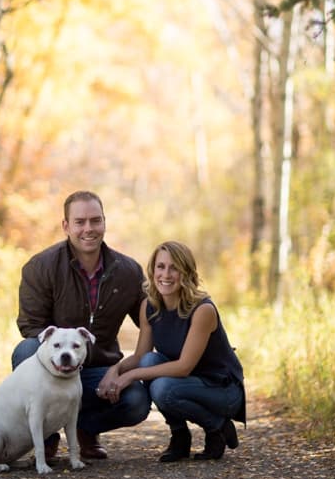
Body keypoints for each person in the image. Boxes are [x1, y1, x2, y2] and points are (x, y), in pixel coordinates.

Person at [13, 190, 151, 462]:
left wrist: (120, 370)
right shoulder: (40, 267)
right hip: (54, 368)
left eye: (95, 220)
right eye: (80, 222)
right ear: (66, 226)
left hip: (99, 370)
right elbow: (31, 326)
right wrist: (65, 361)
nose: (88, 229)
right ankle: (47, 435)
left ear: (104, 223)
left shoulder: (128, 271)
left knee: (137, 400)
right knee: (25, 350)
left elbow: (152, 320)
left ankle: (85, 429)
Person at [98, 240, 246, 462]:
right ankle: (180, 436)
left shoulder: (202, 310)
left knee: (163, 388)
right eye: (160, 266)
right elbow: (140, 357)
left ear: (185, 272)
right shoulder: (149, 306)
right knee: (149, 361)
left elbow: (184, 366)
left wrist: (130, 376)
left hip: (221, 389)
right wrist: (115, 369)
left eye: (174, 267)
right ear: (153, 269)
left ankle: (217, 427)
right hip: (188, 385)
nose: (166, 274)